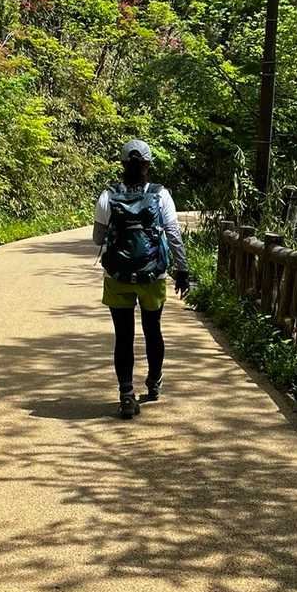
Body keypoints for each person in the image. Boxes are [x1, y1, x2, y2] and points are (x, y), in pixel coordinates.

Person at [92, 139, 190, 418]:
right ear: (148, 164)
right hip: (153, 274)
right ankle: (154, 382)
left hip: (117, 275)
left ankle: (126, 394)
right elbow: (173, 235)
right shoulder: (161, 195)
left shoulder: (108, 196)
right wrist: (182, 269)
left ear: (123, 164)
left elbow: (98, 238)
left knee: (123, 336)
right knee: (152, 329)